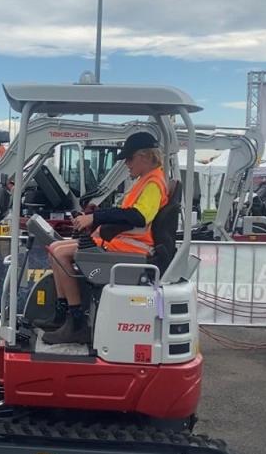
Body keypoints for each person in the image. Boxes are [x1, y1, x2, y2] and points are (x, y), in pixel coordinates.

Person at [34, 132, 168, 345]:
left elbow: (138, 217)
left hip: (134, 252)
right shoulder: (147, 180)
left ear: (144, 156)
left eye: (129, 159)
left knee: (60, 254)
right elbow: (127, 215)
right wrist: (97, 219)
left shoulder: (153, 183)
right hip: (123, 245)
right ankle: (62, 316)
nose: (127, 164)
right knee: (55, 248)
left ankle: (76, 323)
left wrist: (96, 217)